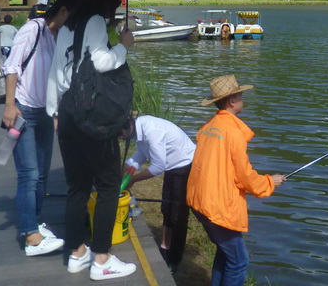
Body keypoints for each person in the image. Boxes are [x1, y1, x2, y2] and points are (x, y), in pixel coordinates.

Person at [45, 0, 137, 281]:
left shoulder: (68, 24)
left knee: (77, 188)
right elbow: (101, 62)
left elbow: (56, 71)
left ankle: (77, 253)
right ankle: (101, 259)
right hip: (91, 115)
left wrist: (54, 112)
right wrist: (123, 46)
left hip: (67, 111)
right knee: (108, 186)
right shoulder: (95, 21)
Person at [186, 75, 286, 286]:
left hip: (200, 201)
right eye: (241, 95)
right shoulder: (233, 131)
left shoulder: (210, 125)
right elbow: (243, 175)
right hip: (217, 206)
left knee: (226, 254)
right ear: (232, 101)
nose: (243, 99)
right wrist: (269, 182)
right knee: (239, 262)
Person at [2, 1, 68, 256]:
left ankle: (36, 224)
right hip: (24, 110)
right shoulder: (33, 29)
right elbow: (12, 66)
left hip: (45, 113)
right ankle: (31, 237)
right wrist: (10, 105)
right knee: (29, 174)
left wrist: (55, 112)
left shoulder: (55, 36)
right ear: (63, 11)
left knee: (42, 174)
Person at [122, 114, 195, 273]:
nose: (120, 139)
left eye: (120, 135)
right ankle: (164, 247)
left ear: (127, 127)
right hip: (171, 165)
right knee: (166, 208)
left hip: (185, 164)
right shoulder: (137, 129)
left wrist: (133, 179)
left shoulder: (151, 131)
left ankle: (174, 260)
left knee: (178, 215)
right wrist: (127, 167)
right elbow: (141, 154)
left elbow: (158, 166)